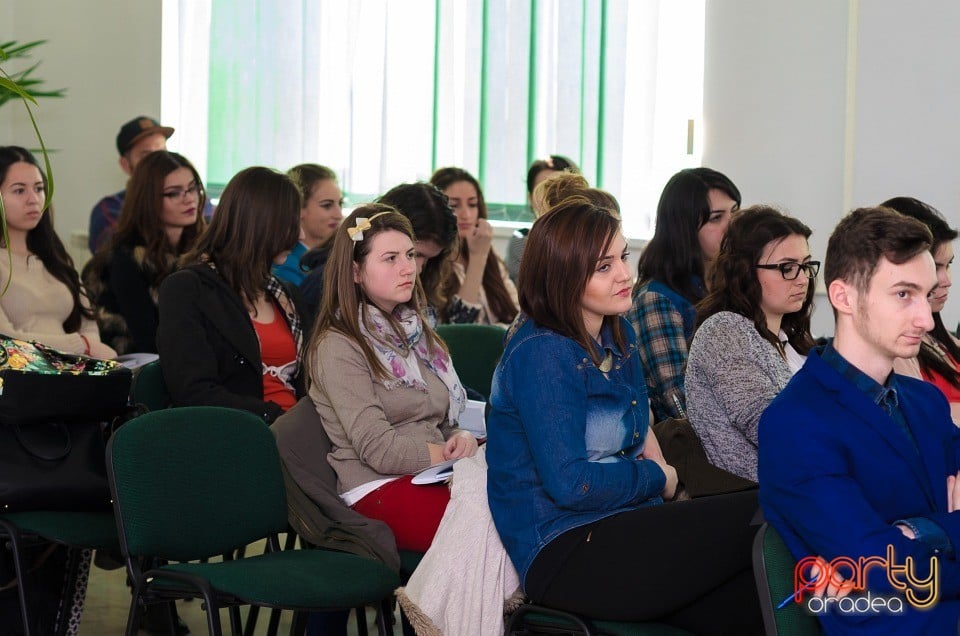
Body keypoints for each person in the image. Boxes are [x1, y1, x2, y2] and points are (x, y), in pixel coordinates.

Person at [486, 196, 761, 633]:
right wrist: (661, 478)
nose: (624, 275)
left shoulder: (620, 331)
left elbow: (640, 432)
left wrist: (659, 478)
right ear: (562, 275)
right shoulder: (542, 354)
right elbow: (572, 484)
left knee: (759, 600)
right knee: (767, 507)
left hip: (629, 526)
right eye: (603, 267)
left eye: (623, 257)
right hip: (567, 550)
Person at [758, 207, 960, 635]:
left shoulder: (926, 402)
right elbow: (878, 571)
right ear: (844, 297)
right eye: (904, 294)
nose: (925, 318)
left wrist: (918, 532)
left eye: (926, 295)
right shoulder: (795, 424)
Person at [307, 204, 477, 553]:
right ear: (355, 272)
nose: (408, 268)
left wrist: (459, 437)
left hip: (429, 473)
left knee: (516, 508)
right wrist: (447, 454)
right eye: (390, 258)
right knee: (481, 531)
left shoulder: (413, 330)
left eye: (411, 255)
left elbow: (438, 420)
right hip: (375, 487)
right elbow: (378, 451)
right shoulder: (338, 345)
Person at [157, 167, 309, 423]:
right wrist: (278, 418)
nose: (300, 235)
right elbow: (194, 393)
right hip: (239, 435)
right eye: (291, 224)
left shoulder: (285, 294)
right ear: (260, 224)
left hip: (296, 431)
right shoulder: (189, 289)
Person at [685, 206, 817, 481]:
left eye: (805, 265)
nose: (803, 278)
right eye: (788, 268)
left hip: (801, 489)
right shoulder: (725, 332)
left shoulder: (791, 338)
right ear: (745, 271)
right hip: (754, 503)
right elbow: (771, 428)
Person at [627, 167, 741, 422]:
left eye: (734, 212)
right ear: (684, 227)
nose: (731, 226)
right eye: (716, 218)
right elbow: (679, 402)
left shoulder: (725, 285)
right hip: (692, 448)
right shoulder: (657, 299)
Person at [83, 151, 206, 354]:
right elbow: (148, 339)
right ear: (148, 200)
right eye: (174, 193)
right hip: (138, 366)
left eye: (192, 188)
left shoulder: (202, 248)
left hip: (186, 359)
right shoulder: (125, 258)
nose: (189, 199)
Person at [0, 146, 115, 359]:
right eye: (19, 190)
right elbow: (6, 341)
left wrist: (87, 351)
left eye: (39, 188)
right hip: (19, 379)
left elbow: (88, 323)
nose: (33, 199)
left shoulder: (53, 254)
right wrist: (81, 346)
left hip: (73, 372)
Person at [88, 116, 213, 253]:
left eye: (162, 152)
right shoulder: (110, 208)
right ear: (125, 165)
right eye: (147, 156)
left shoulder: (195, 198)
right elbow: (113, 256)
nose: (159, 162)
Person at [886, 197, 960, 423]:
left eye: (949, 265)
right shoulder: (895, 342)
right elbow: (918, 420)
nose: (946, 280)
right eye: (937, 267)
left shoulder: (940, 337)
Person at [429, 167, 519, 326]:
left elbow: (517, 312)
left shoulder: (487, 252)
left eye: (472, 204)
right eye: (454, 205)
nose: (466, 214)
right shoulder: (430, 262)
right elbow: (458, 330)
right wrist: (478, 258)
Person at [377, 182, 459, 324]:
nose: (418, 269)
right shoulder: (334, 282)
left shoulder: (429, 277)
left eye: (428, 259)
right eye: (414, 255)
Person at [506, 154, 581, 280]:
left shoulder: (591, 239)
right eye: (543, 189)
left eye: (560, 188)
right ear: (530, 199)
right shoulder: (521, 240)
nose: (552, 197)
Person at [273, 163, 343, 287]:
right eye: (327, 205)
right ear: (298, 207)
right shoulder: (285, 267)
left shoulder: (337, 257)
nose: (339, 215)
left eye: (340, 204)